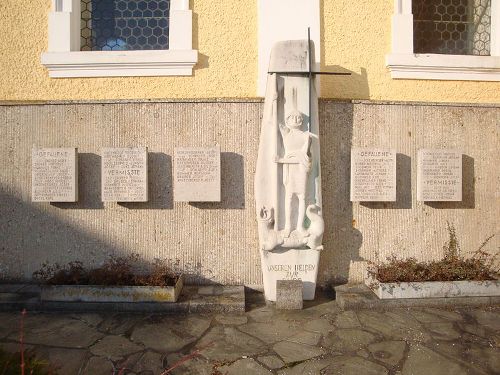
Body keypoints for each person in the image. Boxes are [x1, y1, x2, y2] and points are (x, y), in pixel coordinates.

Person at [278, 110, 312, 237]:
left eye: (298, 118)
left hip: (300, 169)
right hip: (290, 170)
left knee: (302, 197)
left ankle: (300, 226)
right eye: (293, 118)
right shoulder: (286, 133)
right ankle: (287, 227)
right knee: (289, 197)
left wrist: (281, 160)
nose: (296, 120)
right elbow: (274, 121)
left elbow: (304, 156)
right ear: (288, 120)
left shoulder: (305, 136)